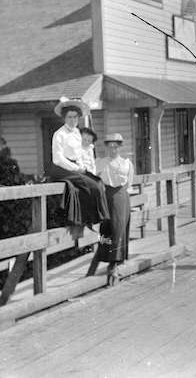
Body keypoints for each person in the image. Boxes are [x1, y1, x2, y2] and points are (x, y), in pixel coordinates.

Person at [49, 97, 109, 227]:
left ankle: (96, 218)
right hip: (61, 169)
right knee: (93, 185)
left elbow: (79, 154)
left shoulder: (77, 132)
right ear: (64, 118)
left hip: (75, 167)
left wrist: (83, 168)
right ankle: (95, 217)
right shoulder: (59, 134)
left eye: (75, 117)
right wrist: (76, 168)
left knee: (98, 181)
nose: (72, 120)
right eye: (69, 117)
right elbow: (57, 159)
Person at [95, 132, 134, 286]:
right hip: (106, 195)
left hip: (121, 196)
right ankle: (108, 259)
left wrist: (121, 193)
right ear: (106, 148)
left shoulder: (126, 163)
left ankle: (115, 263)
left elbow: (129, 183)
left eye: (115, 147)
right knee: (106, 227)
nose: (113, 150)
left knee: (119, 228)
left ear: (120, 148)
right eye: (110, 147)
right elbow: (93, 178)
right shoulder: (100, 162)